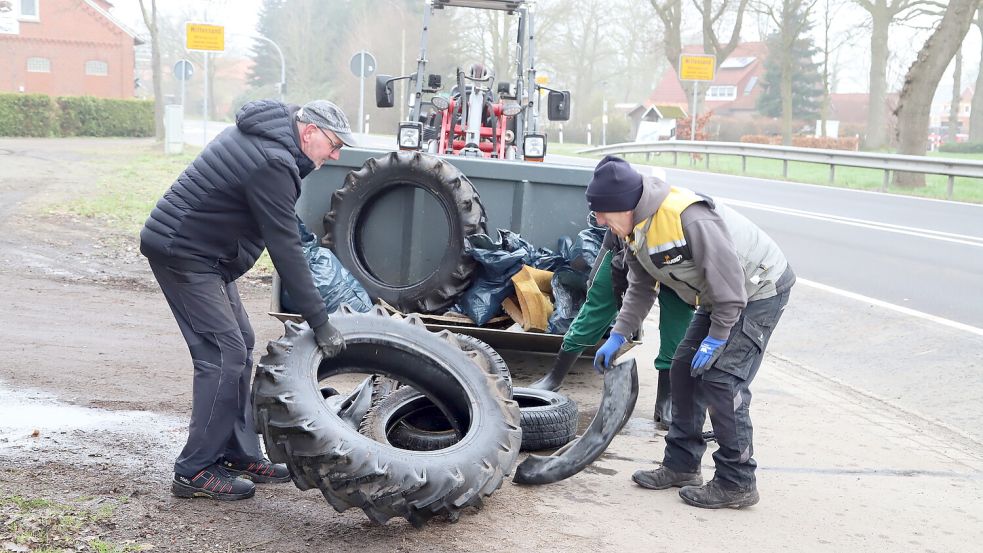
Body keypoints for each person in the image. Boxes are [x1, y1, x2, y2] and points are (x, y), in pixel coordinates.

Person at [140, 99, 354, 501]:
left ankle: (238, 452)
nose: (336, 155)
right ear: (310, 132)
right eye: (334, 144)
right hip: (183, 252)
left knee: (241, 342)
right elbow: (285, 249)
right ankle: (194, 470)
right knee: (224, 354)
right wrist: (319, 320)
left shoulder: (273, 140)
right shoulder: (273, 161)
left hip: (207, 255)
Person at [588, 155, 794, 509]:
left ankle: (737, 482)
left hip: (758, 290)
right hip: (719, 295)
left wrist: (717, 338)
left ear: (624, 205)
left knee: (722, 380)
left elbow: (732, 289)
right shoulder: (633, 229)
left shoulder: (689, 218)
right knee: (682, 368)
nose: (599, 221)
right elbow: (641, 287)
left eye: (603, 213)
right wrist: (618, 335)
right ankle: (681, 465)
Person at [529, 225, 694, 432]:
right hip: (623, 250)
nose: (598, 220)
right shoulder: (624, 217)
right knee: (597, 307)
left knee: (678, 322)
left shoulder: (689, 220)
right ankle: (554, 377)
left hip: (675, 256)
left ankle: (665, 400)